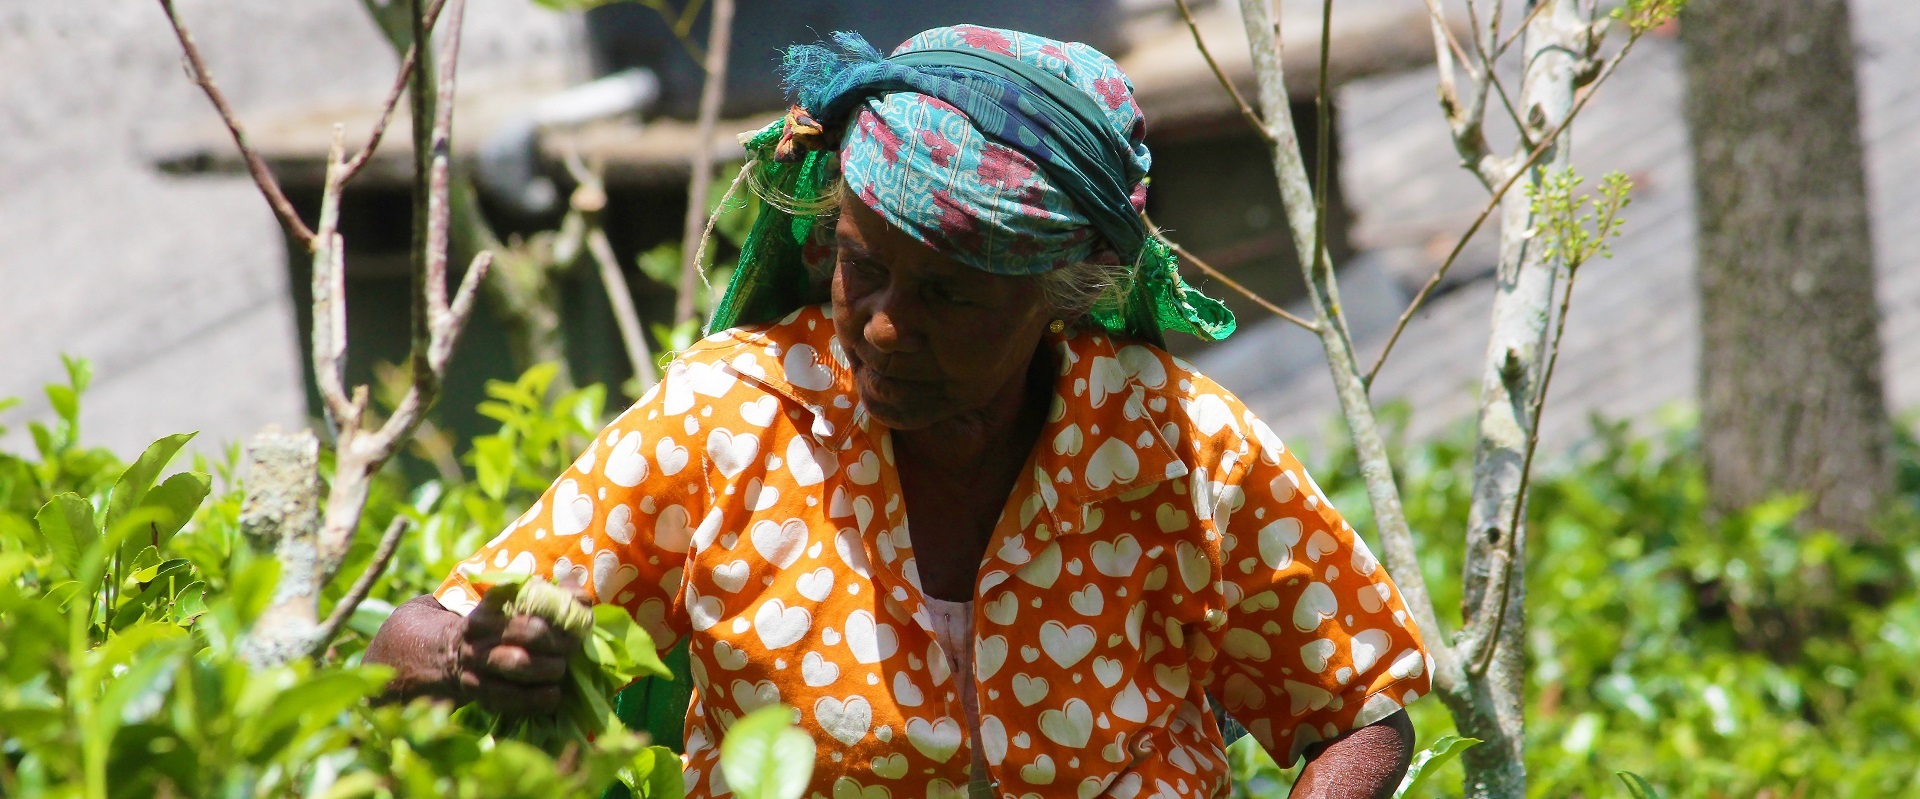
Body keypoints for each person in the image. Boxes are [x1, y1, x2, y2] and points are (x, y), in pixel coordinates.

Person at [366, 24, 1430, 799]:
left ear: (1060, 295)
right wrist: (471, 656)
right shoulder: (729, 424)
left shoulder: (1172, 445)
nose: (882, 326)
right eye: (862, 269)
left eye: (951, 296)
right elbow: (407, 637)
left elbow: (1360, 715)